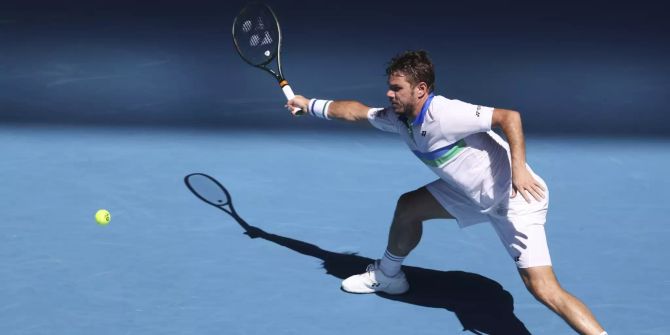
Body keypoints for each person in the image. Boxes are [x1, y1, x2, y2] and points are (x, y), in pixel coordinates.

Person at [286, 50, 607, 335]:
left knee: (543, 288)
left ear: (421, 89)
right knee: (409, 206)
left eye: (397, 88)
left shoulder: (446, 114)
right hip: (468, 193)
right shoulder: (400, 119)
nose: (389, 93)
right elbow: (355, 111)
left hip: (514, 200)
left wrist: (519, 168)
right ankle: (389, 276)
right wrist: (309, 104)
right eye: (390, 86)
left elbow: (509, 117)